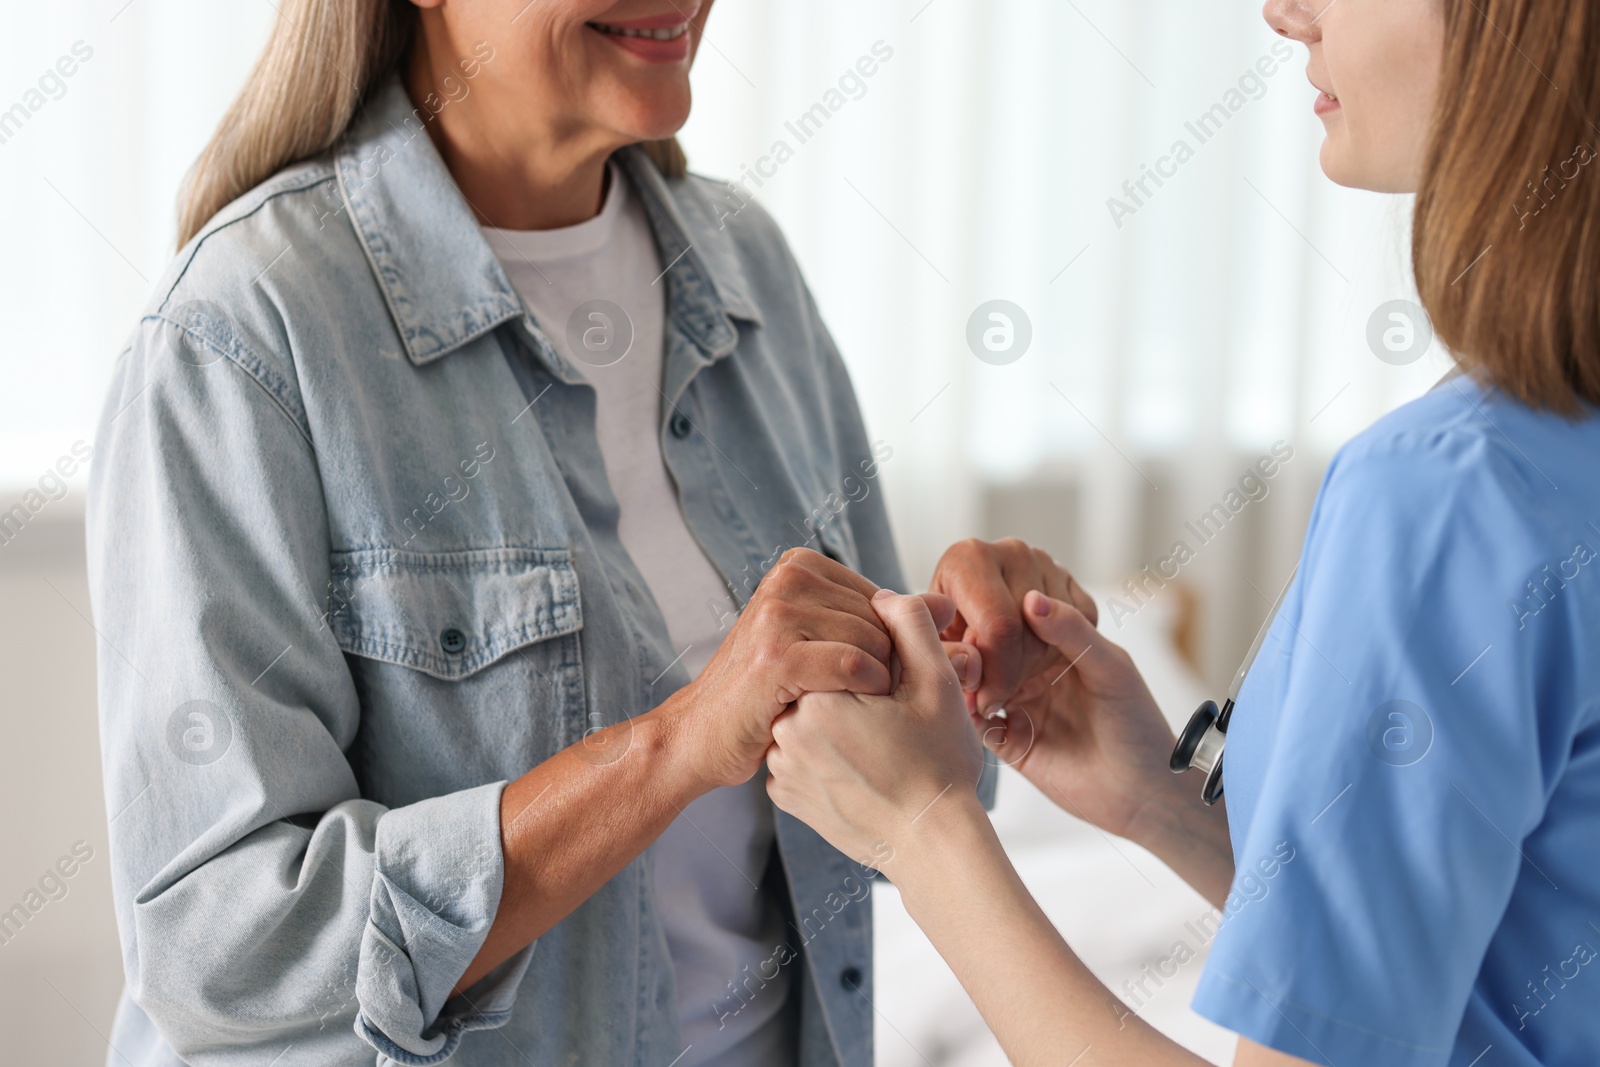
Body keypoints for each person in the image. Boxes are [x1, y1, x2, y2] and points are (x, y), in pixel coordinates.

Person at [86, 2, 989, 1065]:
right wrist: (671, 747)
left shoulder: (749, 268)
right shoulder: (241, 333)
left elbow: (894, 804)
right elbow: (222, 949)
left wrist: (970, 668)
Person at [766, 1, 1600, 1065]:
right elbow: (1498, 945)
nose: (1284, 12)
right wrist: (1161, 802)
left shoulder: (1444, 493)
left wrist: (923, 828)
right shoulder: (1527, 458)